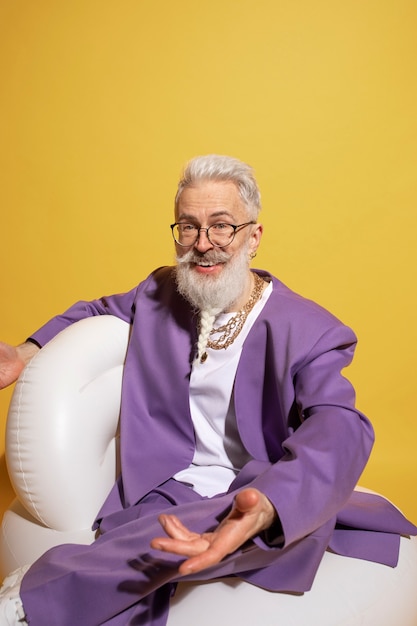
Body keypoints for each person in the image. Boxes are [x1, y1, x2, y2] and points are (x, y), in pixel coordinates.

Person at [0, 154, 415, 625]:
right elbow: (95, 311)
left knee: (202, 532)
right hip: (169, 484)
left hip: (259, 487)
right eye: (188, 227)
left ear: (253, 237)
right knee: (156, 539)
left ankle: (21, 602)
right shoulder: (160, 292)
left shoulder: (311, 329)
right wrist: (25, 353)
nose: (203, 245)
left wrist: (270, 507)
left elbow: (339, 424)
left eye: (222, 227)